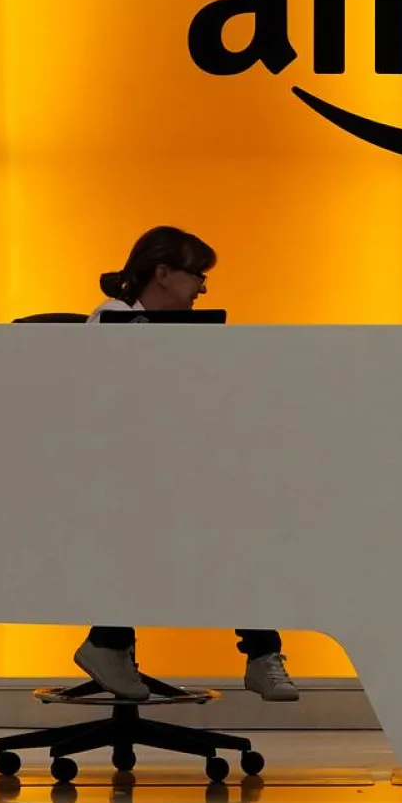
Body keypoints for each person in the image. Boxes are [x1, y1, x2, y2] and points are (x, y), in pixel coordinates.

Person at [78, 226, 298, 703]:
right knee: (217, 521)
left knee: (246, 524)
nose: (203, 288)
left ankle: (111, 643)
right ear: (162, 273)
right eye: (198, 275)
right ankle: (112, 644)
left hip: (171, 470)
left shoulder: (186, 337)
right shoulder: (110, 322)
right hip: (118, 476)